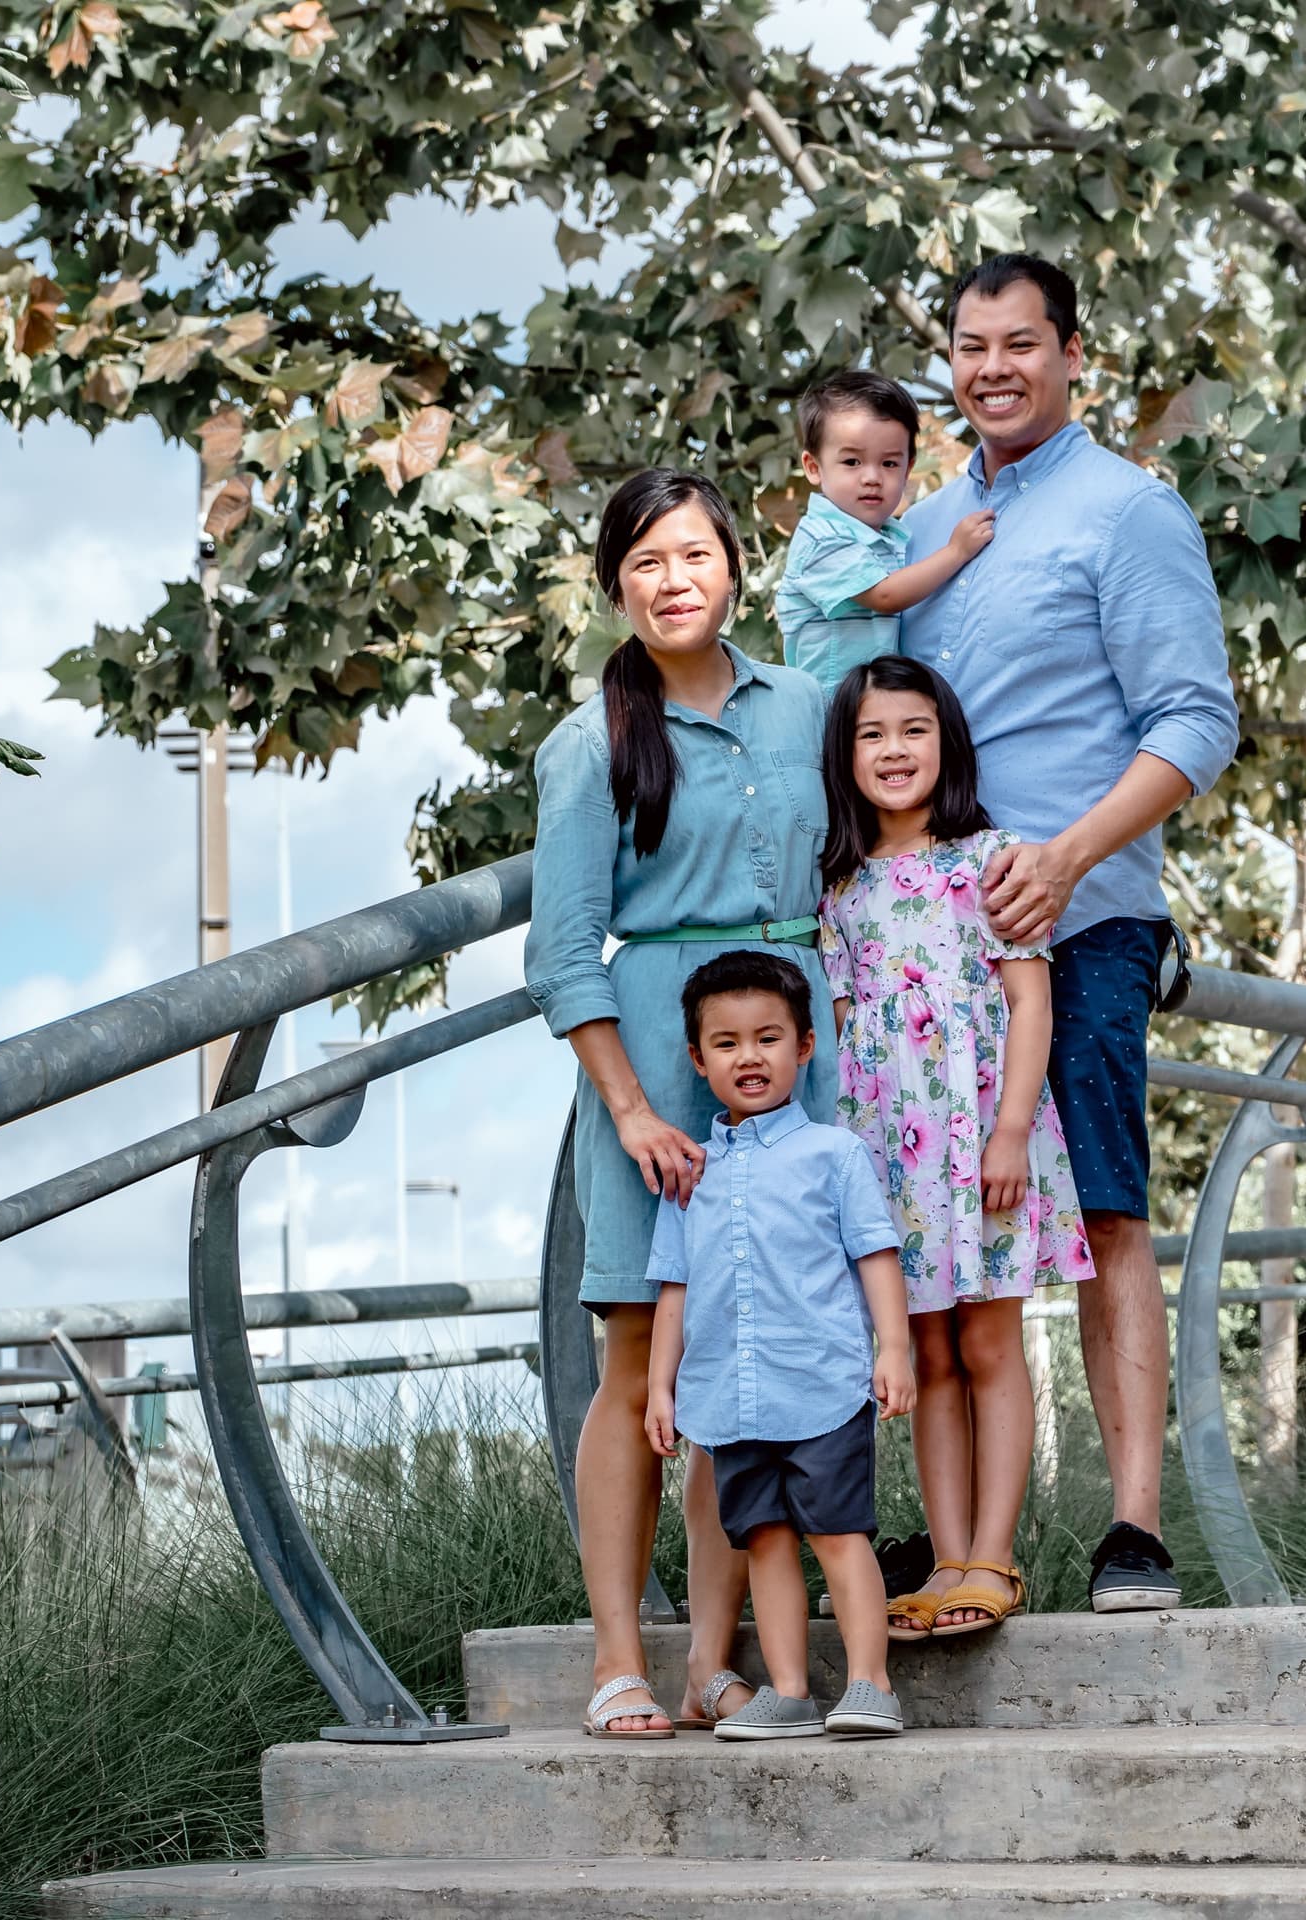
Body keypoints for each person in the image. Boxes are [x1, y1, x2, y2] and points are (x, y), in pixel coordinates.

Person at [899, 254, 1239, 1612]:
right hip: (931, 941)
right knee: (936, 1220)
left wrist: (1073, 855)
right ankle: (968, 1538)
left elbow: (1196, 723)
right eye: (970, 347)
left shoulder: (1129, 513)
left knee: (1098, 1211)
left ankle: (1135, 1530)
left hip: (1084, 919)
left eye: (1019, 344)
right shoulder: (922, 526)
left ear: (1073, 355)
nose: (992, 368)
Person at [523, 467, 836, 1739]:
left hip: (792, 1048)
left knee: (753, 1362)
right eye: (645, 562)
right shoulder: (587, 742)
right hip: (655, 1060)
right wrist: (635, 1107)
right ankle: (618, 1661)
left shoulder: (810, 706)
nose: (672, 580)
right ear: (615, 586)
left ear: (732, 569)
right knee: (641, 1356)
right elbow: (563, 950)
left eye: (694, 554)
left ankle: (714, 1663)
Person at [818, 656, 1094, 1637]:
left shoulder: (994, 862)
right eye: (872, 734)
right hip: (892, 1156)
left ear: (948, 741)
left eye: (913, 730)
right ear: (844, 754)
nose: (894, 751)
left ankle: (994, 1555)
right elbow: (850, 1042)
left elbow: (1029, 999)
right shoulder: (840, 891)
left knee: (987, 1340)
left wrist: (1013, 1128)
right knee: (926, 1351)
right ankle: (944, 1563)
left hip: (983, 1143)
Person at [645, 951, 914, 1740]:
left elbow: (875, 1254)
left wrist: (892, 1349)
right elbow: (674, 1289)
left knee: (837, 1534)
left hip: (821, 1385)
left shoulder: (834, 1155)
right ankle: (789, 1691)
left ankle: (870, 1684)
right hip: (728, 1397)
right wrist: (662, 1388)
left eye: (768, 1038)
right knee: (763, 1539)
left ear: (804, 1046)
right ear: (698, 1061)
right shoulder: (688, 1174)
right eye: (726, 1043)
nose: (749, 1057)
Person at [776, 368, 996, 698]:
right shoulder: (821, 538)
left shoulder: (895, 536)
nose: (872, 477)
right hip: (826, 715)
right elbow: (885, 596)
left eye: (889, 464)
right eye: (852, 462)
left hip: (873, 711)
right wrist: (956, 552)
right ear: (813, 467)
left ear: (909, 468)